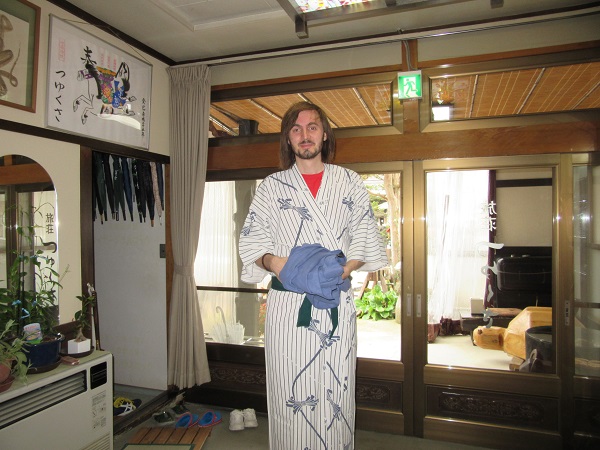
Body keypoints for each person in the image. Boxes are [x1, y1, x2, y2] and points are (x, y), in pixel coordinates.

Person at [239, 101, 388, 449]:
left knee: (337, 387)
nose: (304, 135)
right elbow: (252, 243)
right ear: (288, 139)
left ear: (324, 135)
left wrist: (340, 270)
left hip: (335, 299)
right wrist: (278, 264)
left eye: (312, 127)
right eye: (296, 129)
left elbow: (364, 237)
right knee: (289, 387)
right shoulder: (272, 187)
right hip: (288, 305)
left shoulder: (349, 182)